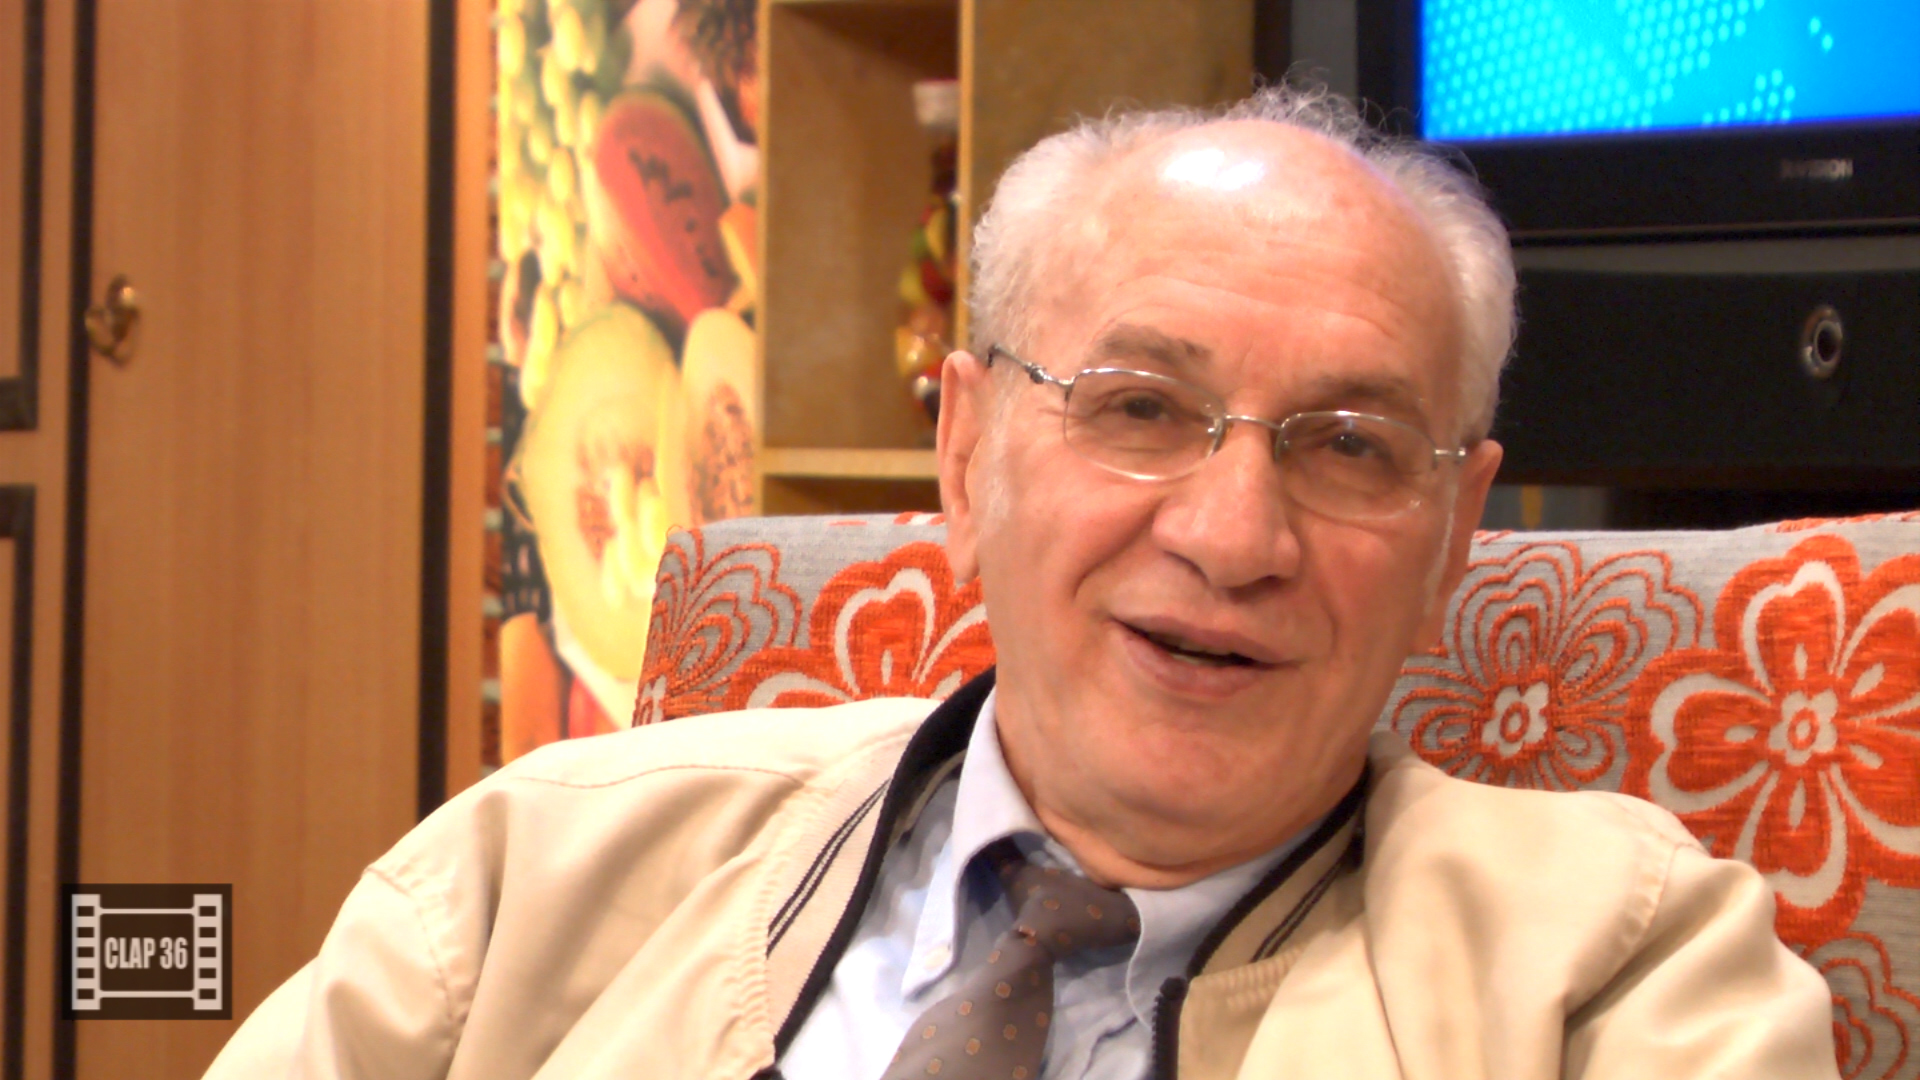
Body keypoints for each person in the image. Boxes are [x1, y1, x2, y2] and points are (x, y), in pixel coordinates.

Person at [205, 86, 1837, 1080]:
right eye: (1140, 411)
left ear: (1455, 534)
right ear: (969, 453)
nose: (1232, 538)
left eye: (1349, 446)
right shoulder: (532, 876)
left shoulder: (1623, 973)